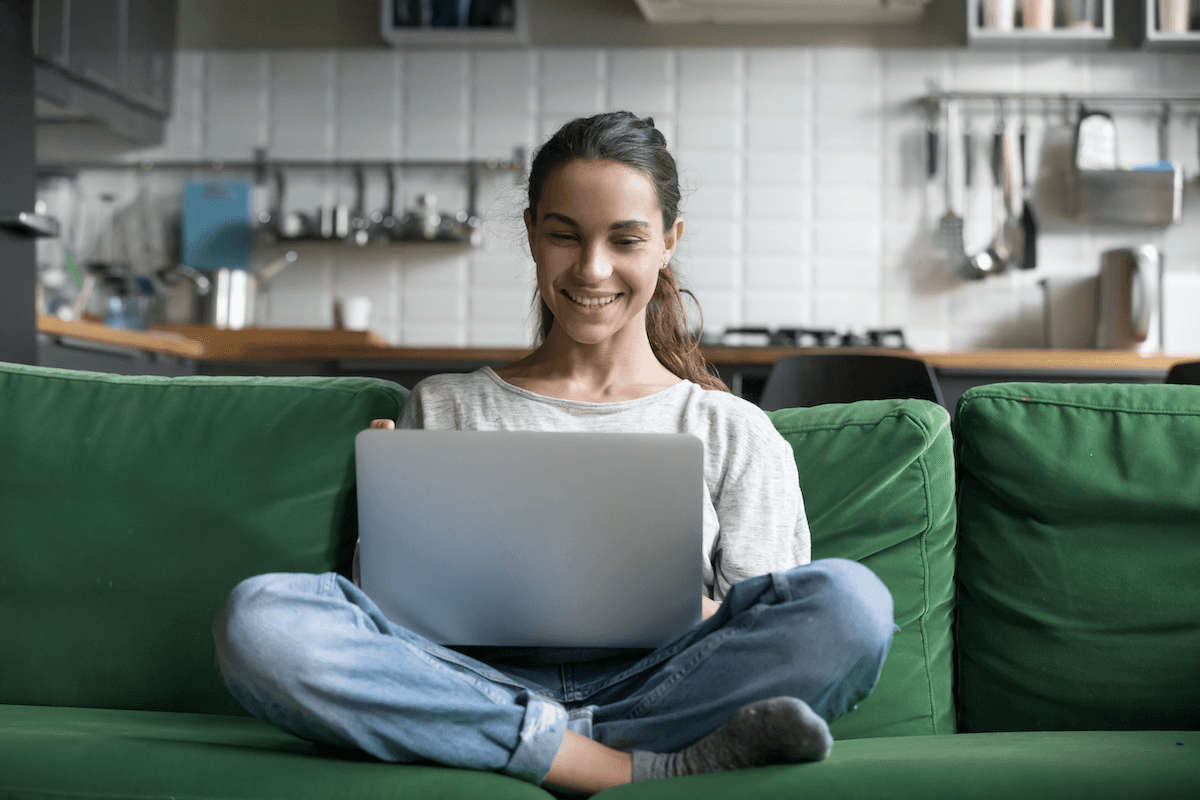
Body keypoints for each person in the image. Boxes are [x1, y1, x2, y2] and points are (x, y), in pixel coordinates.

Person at [212, 111, 895, 795]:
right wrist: (383, 532)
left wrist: (687, 607)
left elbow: (766, 623)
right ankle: (612, 766)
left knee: (852, 603)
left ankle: (515, 747)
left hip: (661, 691)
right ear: (534, 236)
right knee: (261, 620)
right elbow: (395, 624)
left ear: (667, 243)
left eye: (624, 239)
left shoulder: (732, 429)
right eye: (564, 235)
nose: (592, 268)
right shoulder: (445, 405)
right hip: (473, 683)